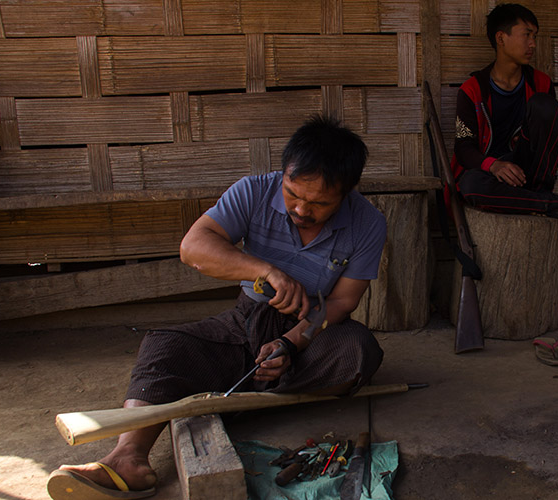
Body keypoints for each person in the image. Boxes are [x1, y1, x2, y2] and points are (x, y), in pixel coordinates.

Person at [47, 116, 387, 499]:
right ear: (284, 174)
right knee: (164, 346)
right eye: (293, 194)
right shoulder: (254, 192)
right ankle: (129, 458)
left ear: (346, 194)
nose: (302, 210)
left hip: (310, 328)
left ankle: (246, 390)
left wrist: (292, 344)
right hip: (246, 320)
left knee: (357, 350)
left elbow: (342, 301)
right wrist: (265, 270)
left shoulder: (368, 223)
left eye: (320, 203)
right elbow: (193, 247)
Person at [452, 3, 558, 245]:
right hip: (493, 177)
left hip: (529, 175)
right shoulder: (473, 90)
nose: (532, 44)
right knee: (470, 185)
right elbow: (464, 148)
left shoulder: (540, 83)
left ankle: (541, 195)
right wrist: (494, 165)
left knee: (544, 106)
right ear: (501, 38)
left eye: (535, 36)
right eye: (526, 35)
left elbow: (550, 135)